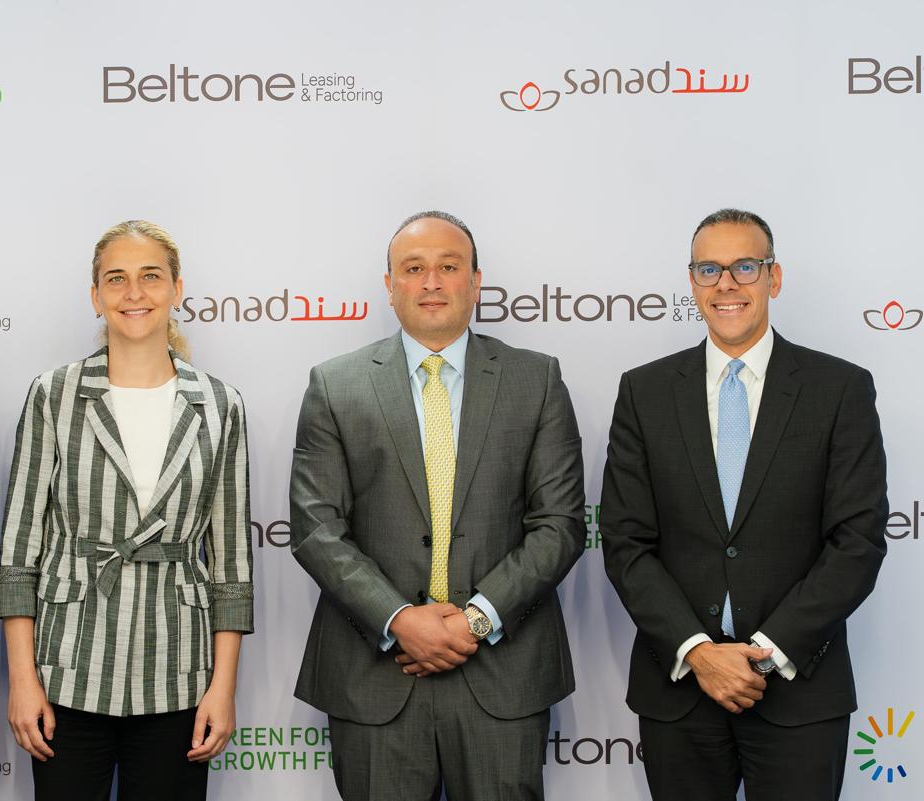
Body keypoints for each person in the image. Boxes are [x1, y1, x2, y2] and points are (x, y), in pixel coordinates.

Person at [290, 210, 585, 801]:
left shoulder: (536, 380)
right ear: (389, 285)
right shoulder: (335, 384)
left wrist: (474, 621)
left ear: (475, 282)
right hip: (375, 676)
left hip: (502, 675)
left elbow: (559, 525)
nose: (431, 282)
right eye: (413, 268)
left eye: (448, 267)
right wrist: (400, 620)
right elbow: (316, 529)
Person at [600, 208, 889, 801]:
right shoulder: (644, 391)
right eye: (709, 269)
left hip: (799, 688)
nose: (726, 283)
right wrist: (700, 652)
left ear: (773, 278)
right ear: (692, 282)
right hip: (680, 689)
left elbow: (857, 541)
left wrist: (767, 653)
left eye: (745, 267)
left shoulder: (839, 388)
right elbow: (626, 542)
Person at [0, 219, 253, 801]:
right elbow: (18, 553)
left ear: (177, 289)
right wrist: (23, 681)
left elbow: (232, 564)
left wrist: (223, 688)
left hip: (178, 672)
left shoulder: (220, 405)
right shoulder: (53, 394)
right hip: (67, 667)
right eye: (116, 279)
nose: (134, 293)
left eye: (150, 277)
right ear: (96, 296)